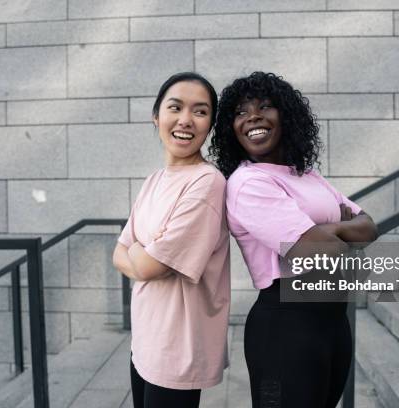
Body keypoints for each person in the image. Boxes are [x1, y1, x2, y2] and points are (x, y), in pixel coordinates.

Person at [209, 71, 378, 408]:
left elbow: (370, 227)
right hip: (286, 328)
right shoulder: (247, 183)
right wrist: (337, 230)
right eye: (240, 112)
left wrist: (326, 233)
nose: (253, 117)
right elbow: (316, 250)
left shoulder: (307, 176)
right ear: (232, 129)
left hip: (332, 323)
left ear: (286, 115)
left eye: (265, 106)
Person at [112, 72, 230, 408]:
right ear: (156, 116)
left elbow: (148, 266)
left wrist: (138, 250)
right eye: (175, 107)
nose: (185, 120)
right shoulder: (154, 180)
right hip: (145, 342)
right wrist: (139, 253)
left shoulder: (207, 182)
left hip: (178, 350)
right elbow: (117, 253)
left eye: (200, 111)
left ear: (210, 125)